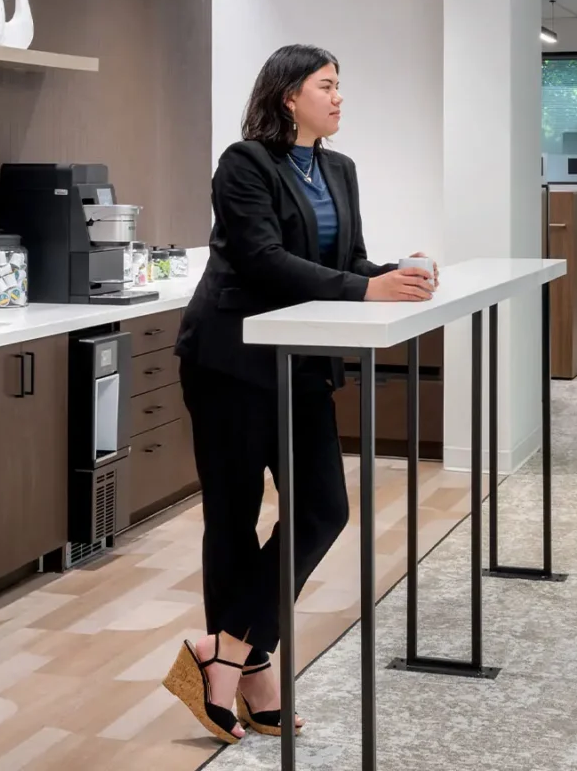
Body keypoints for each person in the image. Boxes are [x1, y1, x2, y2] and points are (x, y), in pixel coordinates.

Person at [160, 44, 435, 742]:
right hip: (230, 362)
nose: (340, 98)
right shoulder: (244, 163)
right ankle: (251, 673)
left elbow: (341, 264)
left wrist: (397, 273)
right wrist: (364, 287)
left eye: (340, 86)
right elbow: (262, 260)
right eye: (327, 85)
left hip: (301, 365)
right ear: (290, 96)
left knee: (322, 509)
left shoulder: (338, 168)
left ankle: (223, 652)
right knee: (233, 517)